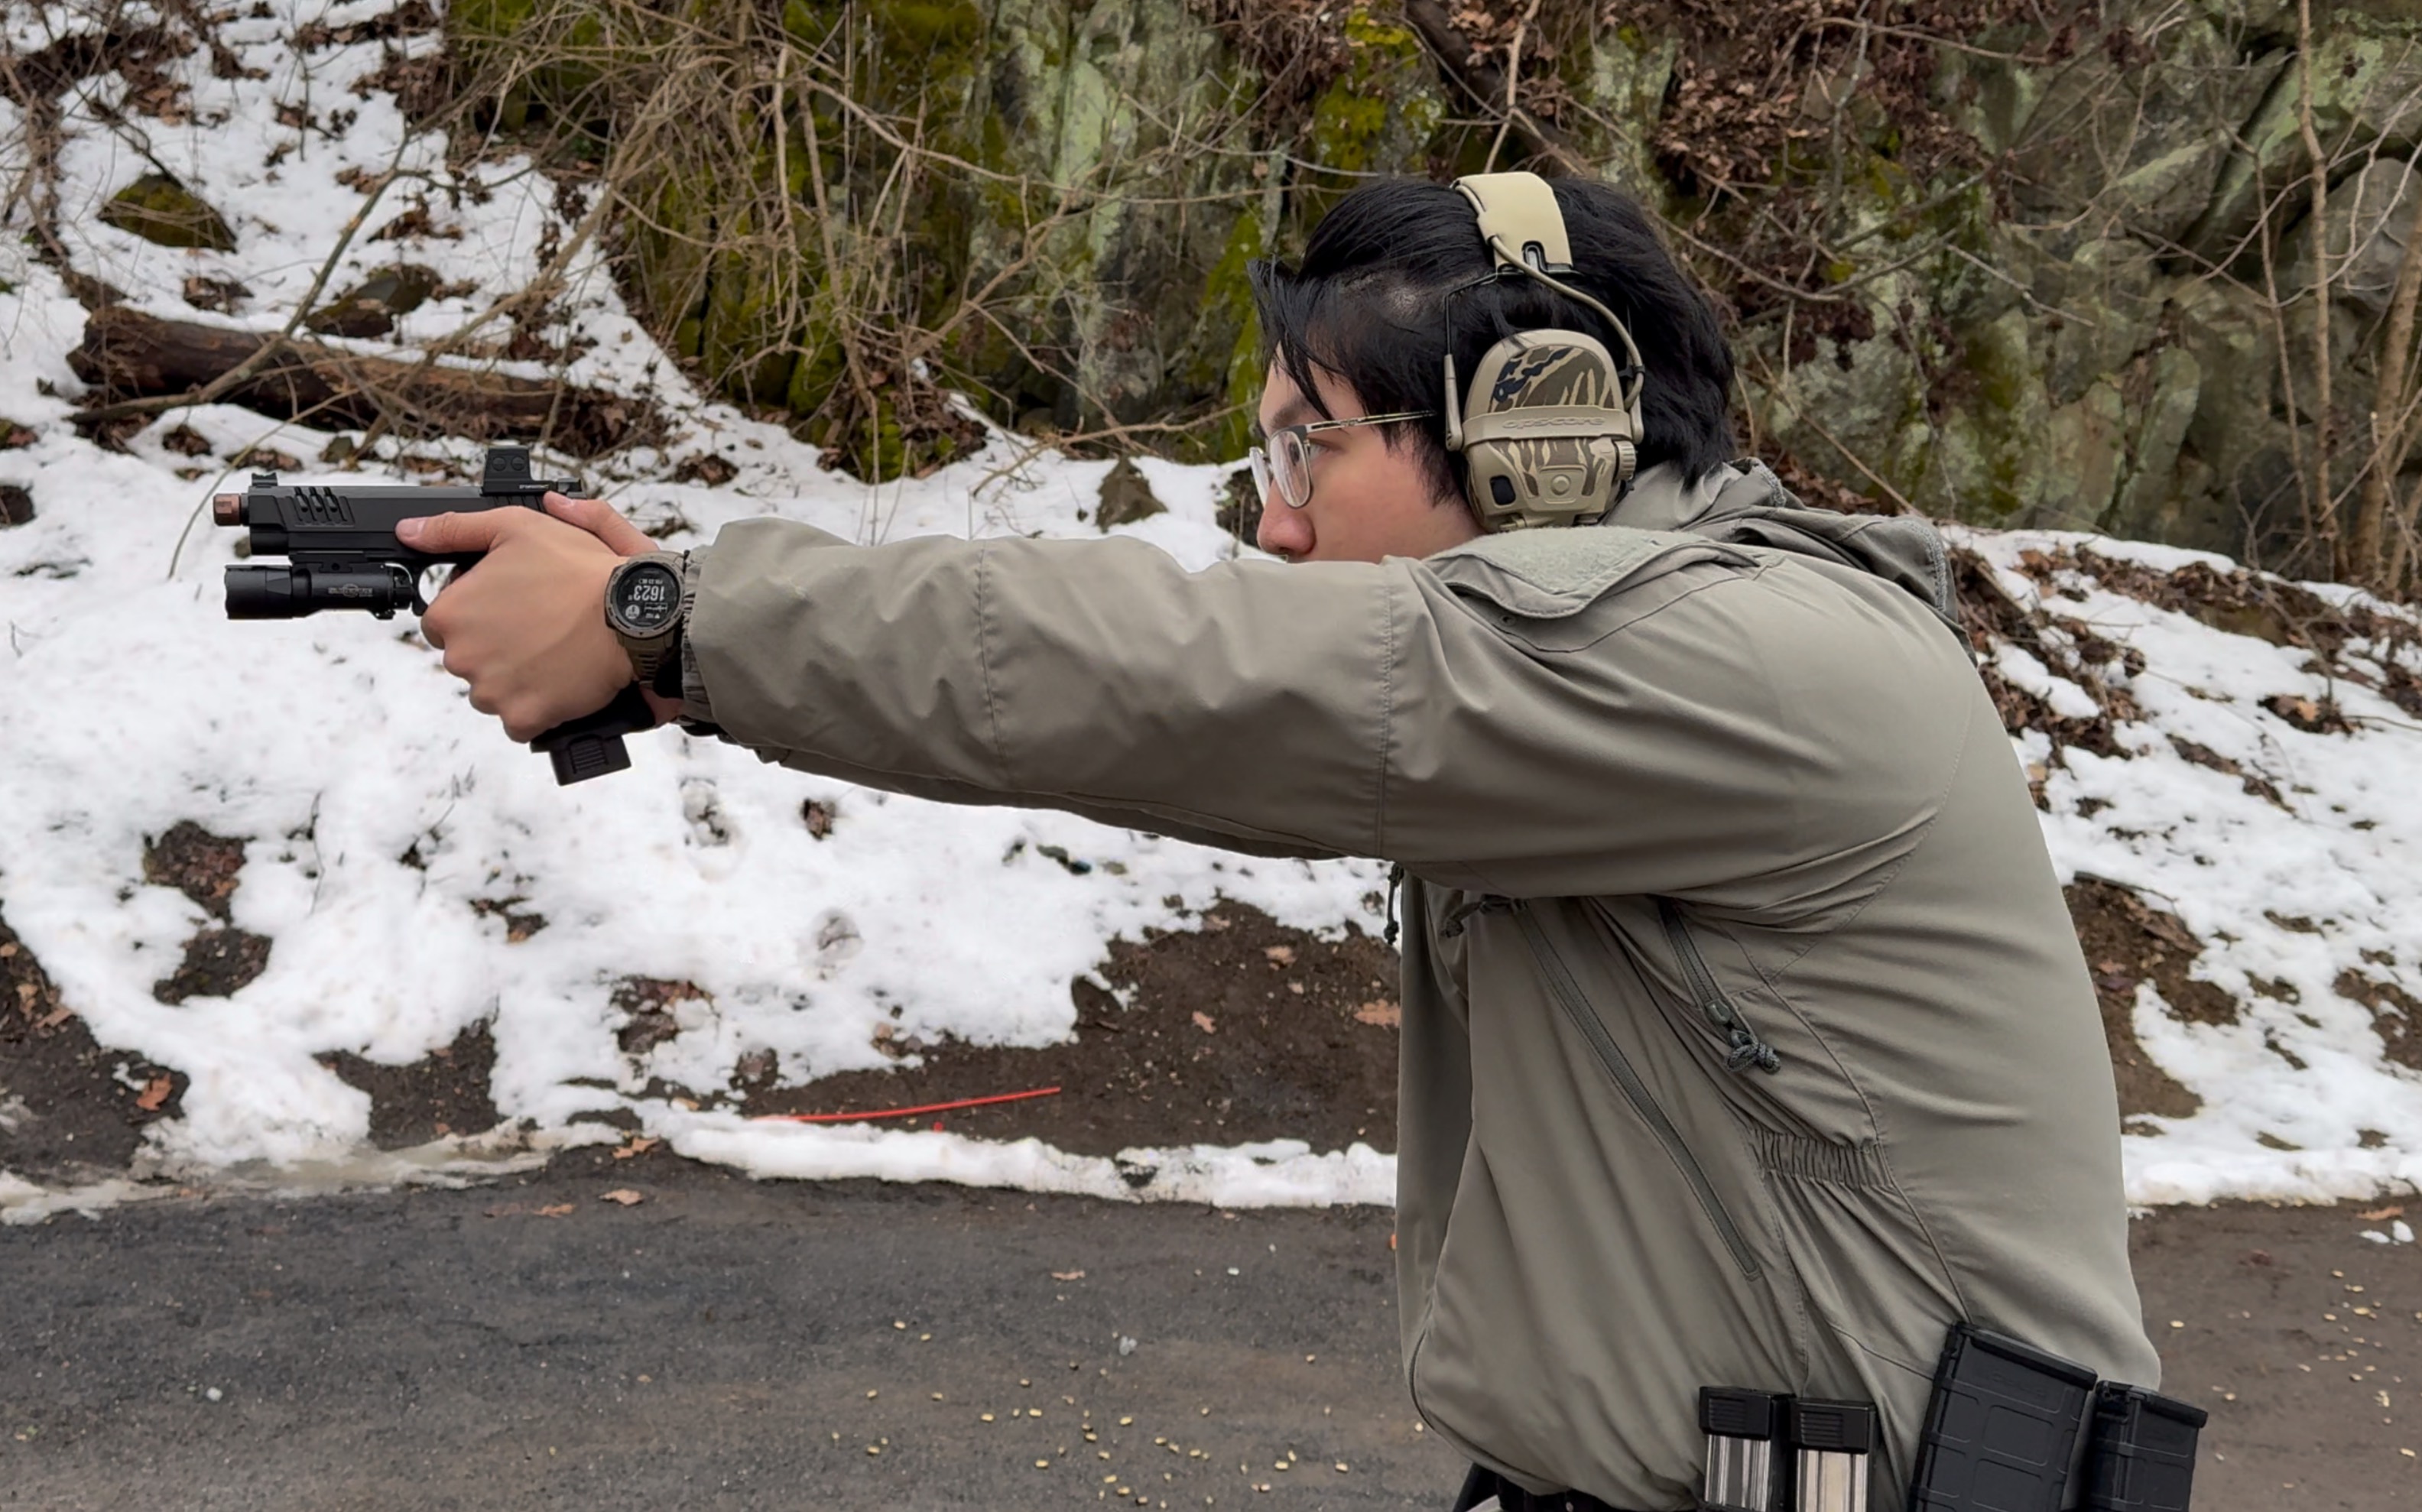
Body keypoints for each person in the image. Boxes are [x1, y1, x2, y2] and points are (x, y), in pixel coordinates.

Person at [402, 174, 2159, 1510]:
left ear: (1540, 430)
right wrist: (666, 633)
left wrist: (666, 614)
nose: (1280, 515)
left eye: (1313, 444)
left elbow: (1178, 671)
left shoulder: (1748, 658)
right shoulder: (1640, 670)